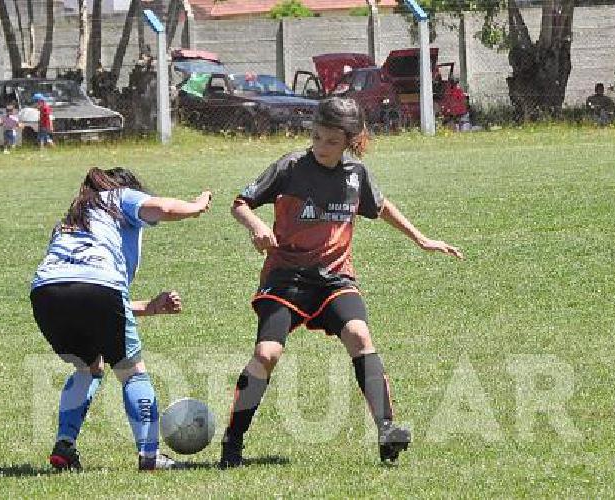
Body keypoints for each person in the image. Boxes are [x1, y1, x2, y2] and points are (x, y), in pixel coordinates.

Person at [220, 97, 464, 468]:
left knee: (360, 336)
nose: (320, 147)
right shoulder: (291, 167)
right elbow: (241, 202)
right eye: (316, 137)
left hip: (335, 279)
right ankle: (232, 442)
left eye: (331, 141)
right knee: (266, 355)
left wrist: (421, 239)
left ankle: (387, 431)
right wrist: (256, 226)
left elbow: (380, 207)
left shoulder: (356, 173)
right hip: (285, 278)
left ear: (349, 140)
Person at [30, 167, 213, 471]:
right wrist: (196, 206)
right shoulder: (116, 196)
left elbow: (84, 291)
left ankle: (65, 445)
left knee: (87, 367)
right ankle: (150, 456)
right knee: (131, 373)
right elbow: (164, 208)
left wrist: (150, 307)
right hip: (97, 288)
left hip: (46, 293)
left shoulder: (69, 220)